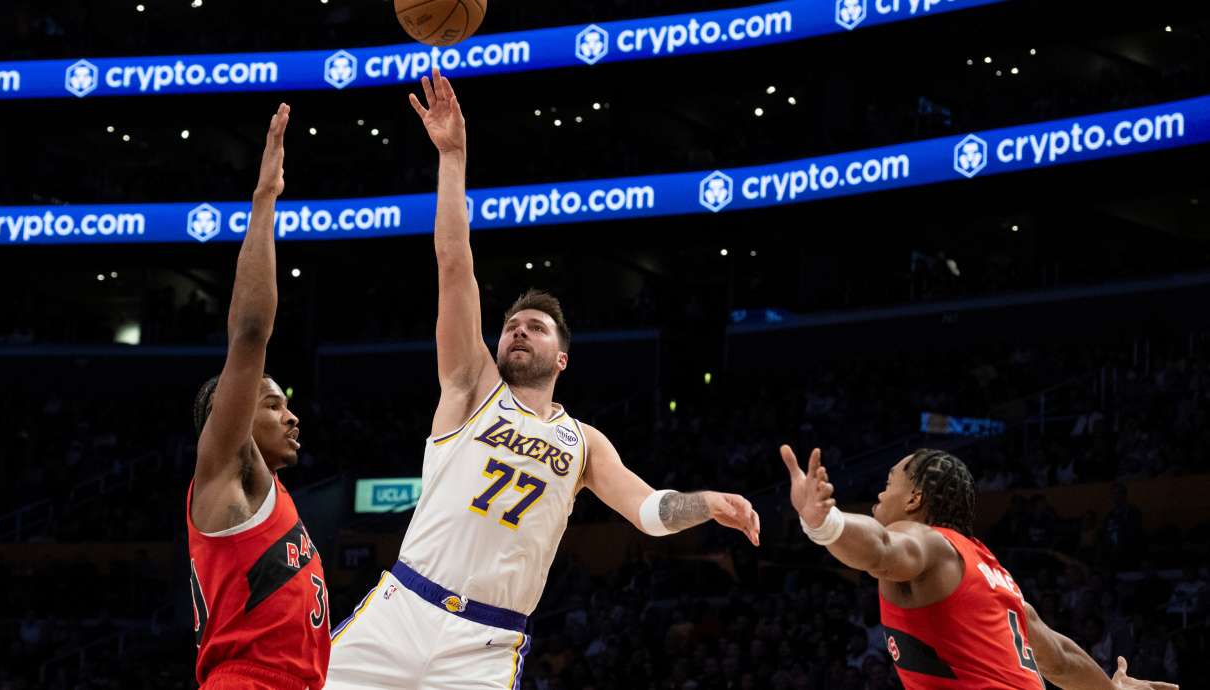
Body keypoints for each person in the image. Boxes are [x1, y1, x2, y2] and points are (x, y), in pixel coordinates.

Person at [325, 69, 760, 689]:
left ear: (562, 359)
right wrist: (452, 157)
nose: (519, 332)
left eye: (536, 327)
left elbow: (648, 510)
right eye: (511, 325)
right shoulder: (471, 386)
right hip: (402, 609)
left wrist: (707, 503)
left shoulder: (583, 443)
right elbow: (454, 264)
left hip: (487, 643)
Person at [778, 445, 1178, 690]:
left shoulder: (926, 542)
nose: (880, 492)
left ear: (915, 497)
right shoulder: (991, 570)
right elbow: (1057, 657)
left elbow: (881, 549)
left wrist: (825, 523)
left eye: (889, 481)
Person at [186, 104, 330, 690]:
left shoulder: (270, 495)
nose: (291, 415)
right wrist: (265, 197)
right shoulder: (223, 473)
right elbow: (249, 335)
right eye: (272, 404)